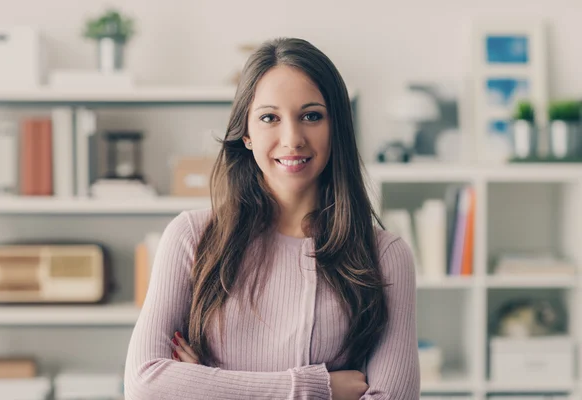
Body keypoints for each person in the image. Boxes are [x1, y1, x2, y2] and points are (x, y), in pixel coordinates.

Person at [124, 37, 419, 400]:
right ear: (246, 133)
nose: (292, 138)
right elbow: (145, 384)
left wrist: (207, 384)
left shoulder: (385, 256)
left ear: (337, 127)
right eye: (269, 118)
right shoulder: (191, 237)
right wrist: (317, 388)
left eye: (311, 116)